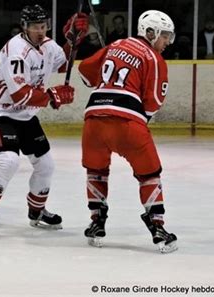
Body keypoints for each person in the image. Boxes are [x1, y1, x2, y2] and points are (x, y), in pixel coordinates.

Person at [0, 4, 89, 238]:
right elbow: (20, 95)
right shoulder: (16, 51)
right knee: (8, 161)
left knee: (46, 165)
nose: (41, 30)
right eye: (36, 26)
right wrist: (51, 96)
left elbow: (64, 61)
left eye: (44, 26)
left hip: (26, 115)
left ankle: (37, 211)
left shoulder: (47, 45)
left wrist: (73, 40)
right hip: (1, 112)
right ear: (24, 27)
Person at [78, 10, 178, 253]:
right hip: (127, 124)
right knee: (150, 174)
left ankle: (96, 223)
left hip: (93, 120)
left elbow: (84, 73)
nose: (167, 42)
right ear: (150, 32)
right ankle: (157, 227)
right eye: (164, 36)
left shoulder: (115, 44)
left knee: (97, 170)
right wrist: (139, 119)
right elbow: (153, 101)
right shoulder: (154, 58)